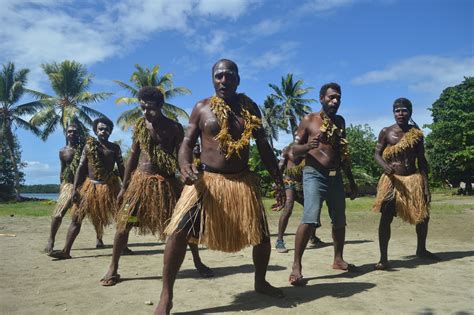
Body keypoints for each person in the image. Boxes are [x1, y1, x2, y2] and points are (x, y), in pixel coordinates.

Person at [155, 59, 285, 314]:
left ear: (238, 79)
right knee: (178, 234)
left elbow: (264, 147)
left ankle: (260, 282)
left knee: (262, 237)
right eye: (219, 76)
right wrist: (184, 165)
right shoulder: (201, 108)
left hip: (241, 183)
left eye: (229, 75)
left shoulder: (250, 109)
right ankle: (166, 296)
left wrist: (279, 179)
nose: (224, 80)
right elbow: (186, 143)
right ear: (213, 79)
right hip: (205, 182)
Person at [100, 87, 213, 286]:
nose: (145, 112)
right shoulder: (141, 126)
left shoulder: (174, 127)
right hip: (139, 185)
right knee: (123, 224)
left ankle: (197, 261)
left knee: (183, 225)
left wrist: (188, 172)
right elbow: (133, 157)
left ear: (160, 106)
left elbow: (181, 154)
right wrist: (124, 187)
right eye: (142, 108)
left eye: (150, 108)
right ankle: (113, 267)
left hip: (168, 185)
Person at [288, 82, 358, 286]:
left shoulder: (340, 122)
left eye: (338, 97)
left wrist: (351, 180)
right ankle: (296, 266)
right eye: (331, 97)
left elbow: (343, 153)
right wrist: (307, 146)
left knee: (339, 219)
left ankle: (338, 259)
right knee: (310, 218)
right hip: (313, 174)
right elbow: (294, 149)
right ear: (321, 98)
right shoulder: (309, 120)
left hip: (335, 176)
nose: (335, 101)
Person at [373, 98, 440, 270]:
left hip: (413, 180)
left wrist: (425, 186)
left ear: (410, 112)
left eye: (403, 110)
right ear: (393, 112)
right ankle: (383, 258)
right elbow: (377, 154)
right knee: (386, 217)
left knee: (423, 216)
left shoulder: (416, 133)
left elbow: (422, 160)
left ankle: (421, 249)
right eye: (397, 110)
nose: (400, 114)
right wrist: (384, 166)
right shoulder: (386, 131)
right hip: (392, 181)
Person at [49, 117, 124, 259]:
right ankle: (66, 251)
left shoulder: (115, 148)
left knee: (122, 218)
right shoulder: (88, 147)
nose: (104, 131)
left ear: (111, 131)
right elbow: (80, 169)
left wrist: (125, 187)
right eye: (101, 129)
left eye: (107, 129)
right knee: (76, 219)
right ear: (96, 131)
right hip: (90, 187)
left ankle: (123, 247)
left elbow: (121, 168)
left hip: (110, 187)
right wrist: (75, 189)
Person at [44, 124, 88, 254]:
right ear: (66, 134)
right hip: (68, 184)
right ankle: (51, 240)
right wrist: (61, 185)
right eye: (69, 132)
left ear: (79, 133)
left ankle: (99, 238)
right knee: (58, 214)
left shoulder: (85, 148)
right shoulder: (63, 151)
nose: (72, 134)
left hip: (84, 185)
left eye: (75, 132)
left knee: (79, 217)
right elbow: (62, 169)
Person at [275, 145, 324, 253]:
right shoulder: (288, 149)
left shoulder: (311, 151)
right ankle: (279, 240)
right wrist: (277, 184)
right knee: (288, 206)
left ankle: (312, 236)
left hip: (304, 183)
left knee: (314, 207)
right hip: (289, 181)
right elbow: (280, 166)